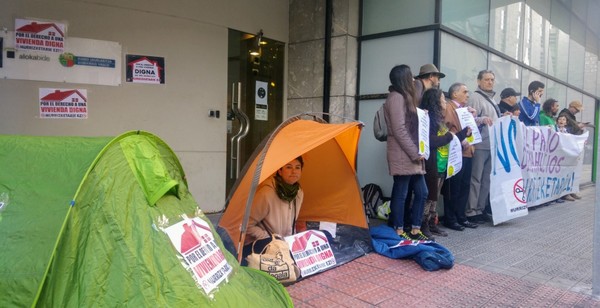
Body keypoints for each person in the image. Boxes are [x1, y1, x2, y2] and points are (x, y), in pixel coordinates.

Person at [384, 64, 429, 241]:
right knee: (401, 193)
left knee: (422, 192)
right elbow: (399, 129)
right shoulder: (396, 97)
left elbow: (407, 123)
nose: (413, 80)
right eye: (410, 77)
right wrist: (414, 152)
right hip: (404, 153)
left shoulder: (405, 97)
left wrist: (421, 115)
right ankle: (398, 230)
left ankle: (415, 230)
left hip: (411, 153)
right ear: (403, 78)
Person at [420, 88, 471, 238]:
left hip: (442, 166)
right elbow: (431, 141)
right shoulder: (429, 120)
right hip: (433, 165)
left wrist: (462, 134)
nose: (444, 102)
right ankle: (423, 225)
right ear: (435, 102)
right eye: (442, 99)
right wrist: (450, 136)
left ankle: (431, 224)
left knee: (435, 197)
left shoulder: (439, 120)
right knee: (429, 197)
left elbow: (449, 138)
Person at [242, 157, 304, 263]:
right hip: (260, 245)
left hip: (283, 245)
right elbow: (246, 224)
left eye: (297, 167)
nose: (294, 171)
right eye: (289, 167)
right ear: (280, 171)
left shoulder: (298, 193)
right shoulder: (266, 194)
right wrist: (268, 238)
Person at [441, 82, 479, 231]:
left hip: (468, 152)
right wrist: (460, 138)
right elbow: (445, 128)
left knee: (464, 186)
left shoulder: (464, 110)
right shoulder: (449, 107)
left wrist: (475, 119)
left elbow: (471, 129)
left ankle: (461, 217)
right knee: (453, 187)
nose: (468, 95)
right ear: (455, 94)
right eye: (465, 91)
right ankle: (450, 219)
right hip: (455, 152)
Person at [466, 70, 496, 224]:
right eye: (486, 79)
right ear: (479, 81)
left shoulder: (493, 100)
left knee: (486, 179)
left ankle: (480, 208)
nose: (490, 82)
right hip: (479, 144)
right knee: (476, 178)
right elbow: (469, 120)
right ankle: (471, 210)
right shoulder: (475, 97)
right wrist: (482, 120)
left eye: (492, 79)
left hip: (491, 144)